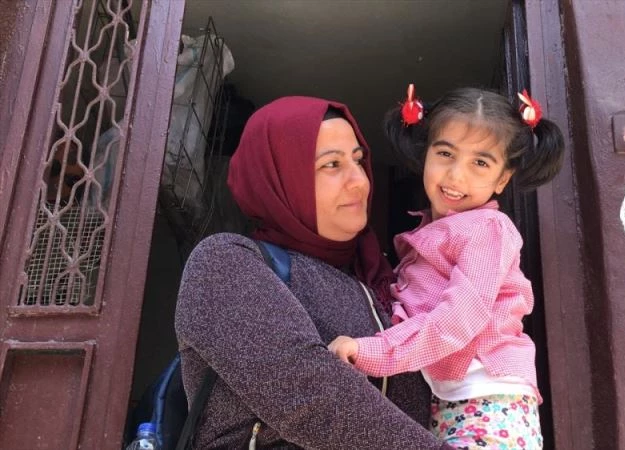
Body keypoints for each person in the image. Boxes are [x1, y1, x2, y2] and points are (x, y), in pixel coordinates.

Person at [174, 96, 456, 449]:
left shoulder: (383, 285)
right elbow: (310, 398)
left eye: (358, 160)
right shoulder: (225, 263)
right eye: (332, 164)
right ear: (279, 178)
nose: (359, 181)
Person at [328, 85, 565, 449]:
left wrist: (374, 351)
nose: (456, 176)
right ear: (425, 154)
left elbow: (458, 319)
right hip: (450, 398)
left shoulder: (488, 229)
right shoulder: (431, 232)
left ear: (503, 179)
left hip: (491, 400)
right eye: (445, 153)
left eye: (480, 163)